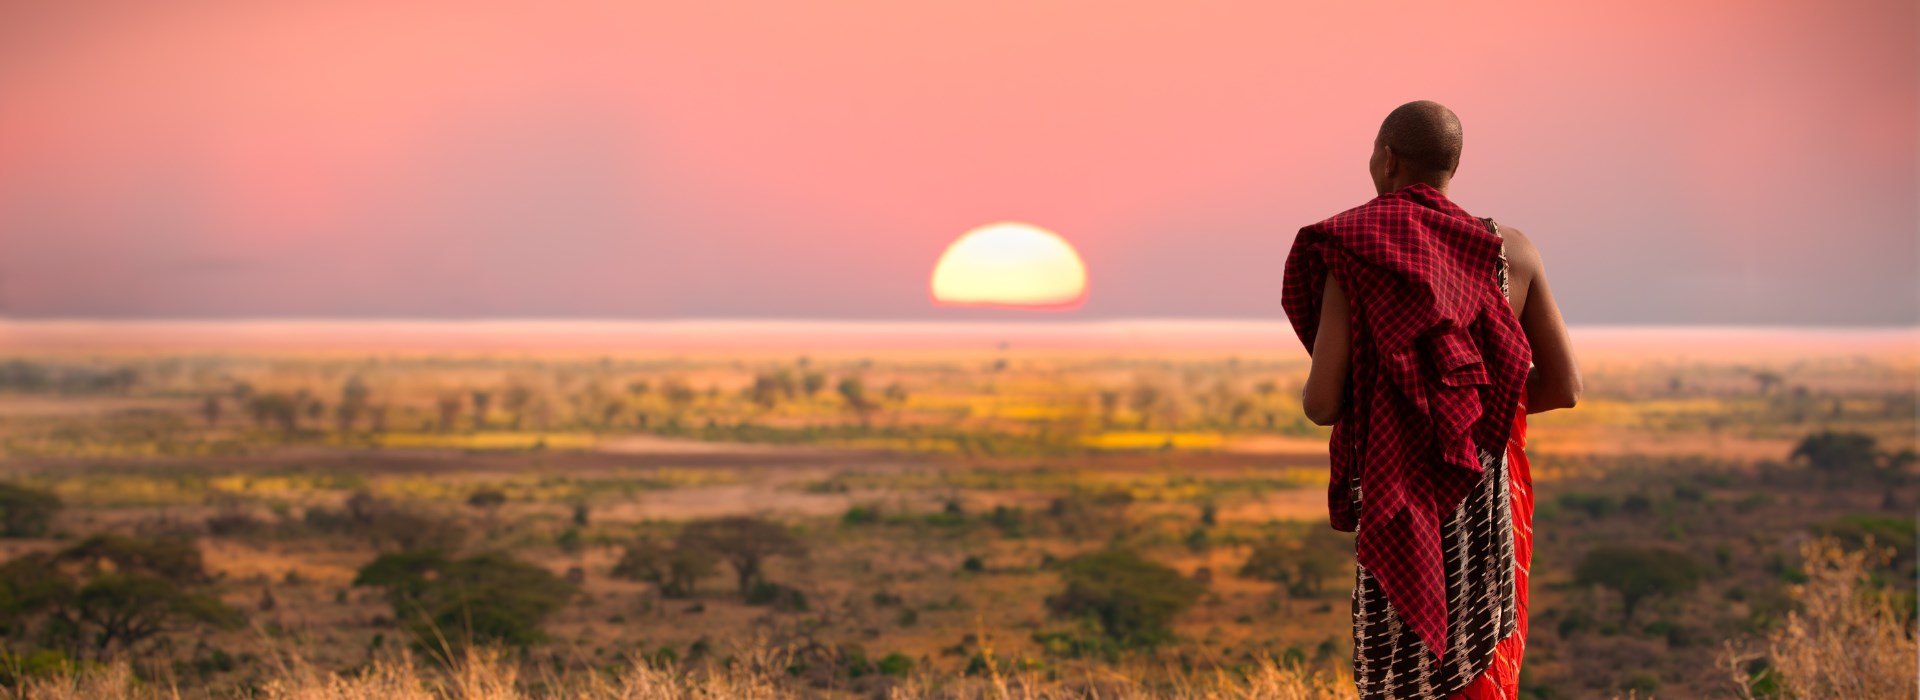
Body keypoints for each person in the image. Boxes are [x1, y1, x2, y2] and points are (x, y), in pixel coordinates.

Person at [1280, 101, 1582, 700]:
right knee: (1476, 668)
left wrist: (1403, 410)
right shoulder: (1511, 250)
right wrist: (1467, 417)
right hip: (1481, 496)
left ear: (1387, 159)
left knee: (1402, 678)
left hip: (1400, 500)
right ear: (1453, 166)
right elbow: (1563, 387)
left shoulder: (1358, 250)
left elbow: (1321, 403)